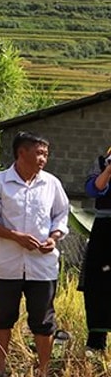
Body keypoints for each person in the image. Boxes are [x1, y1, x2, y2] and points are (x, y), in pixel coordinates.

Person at [0, 132, 68, 377]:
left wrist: (54, 236)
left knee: (43, 320)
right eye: (39, 153)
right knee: (3, 317)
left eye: (46, 155)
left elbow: (61, 215)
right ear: (21, 153)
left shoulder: (51, 184)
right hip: (6, 266)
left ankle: (43, 372)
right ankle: (1, 369)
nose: (43, 160)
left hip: (42, 266)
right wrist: (15, 236)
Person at [81, 147, 111, 354]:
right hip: (105, 229)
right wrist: (109, 170)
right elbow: (93, 189)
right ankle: (96, 342)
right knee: (99, 283)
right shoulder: (104, 160)